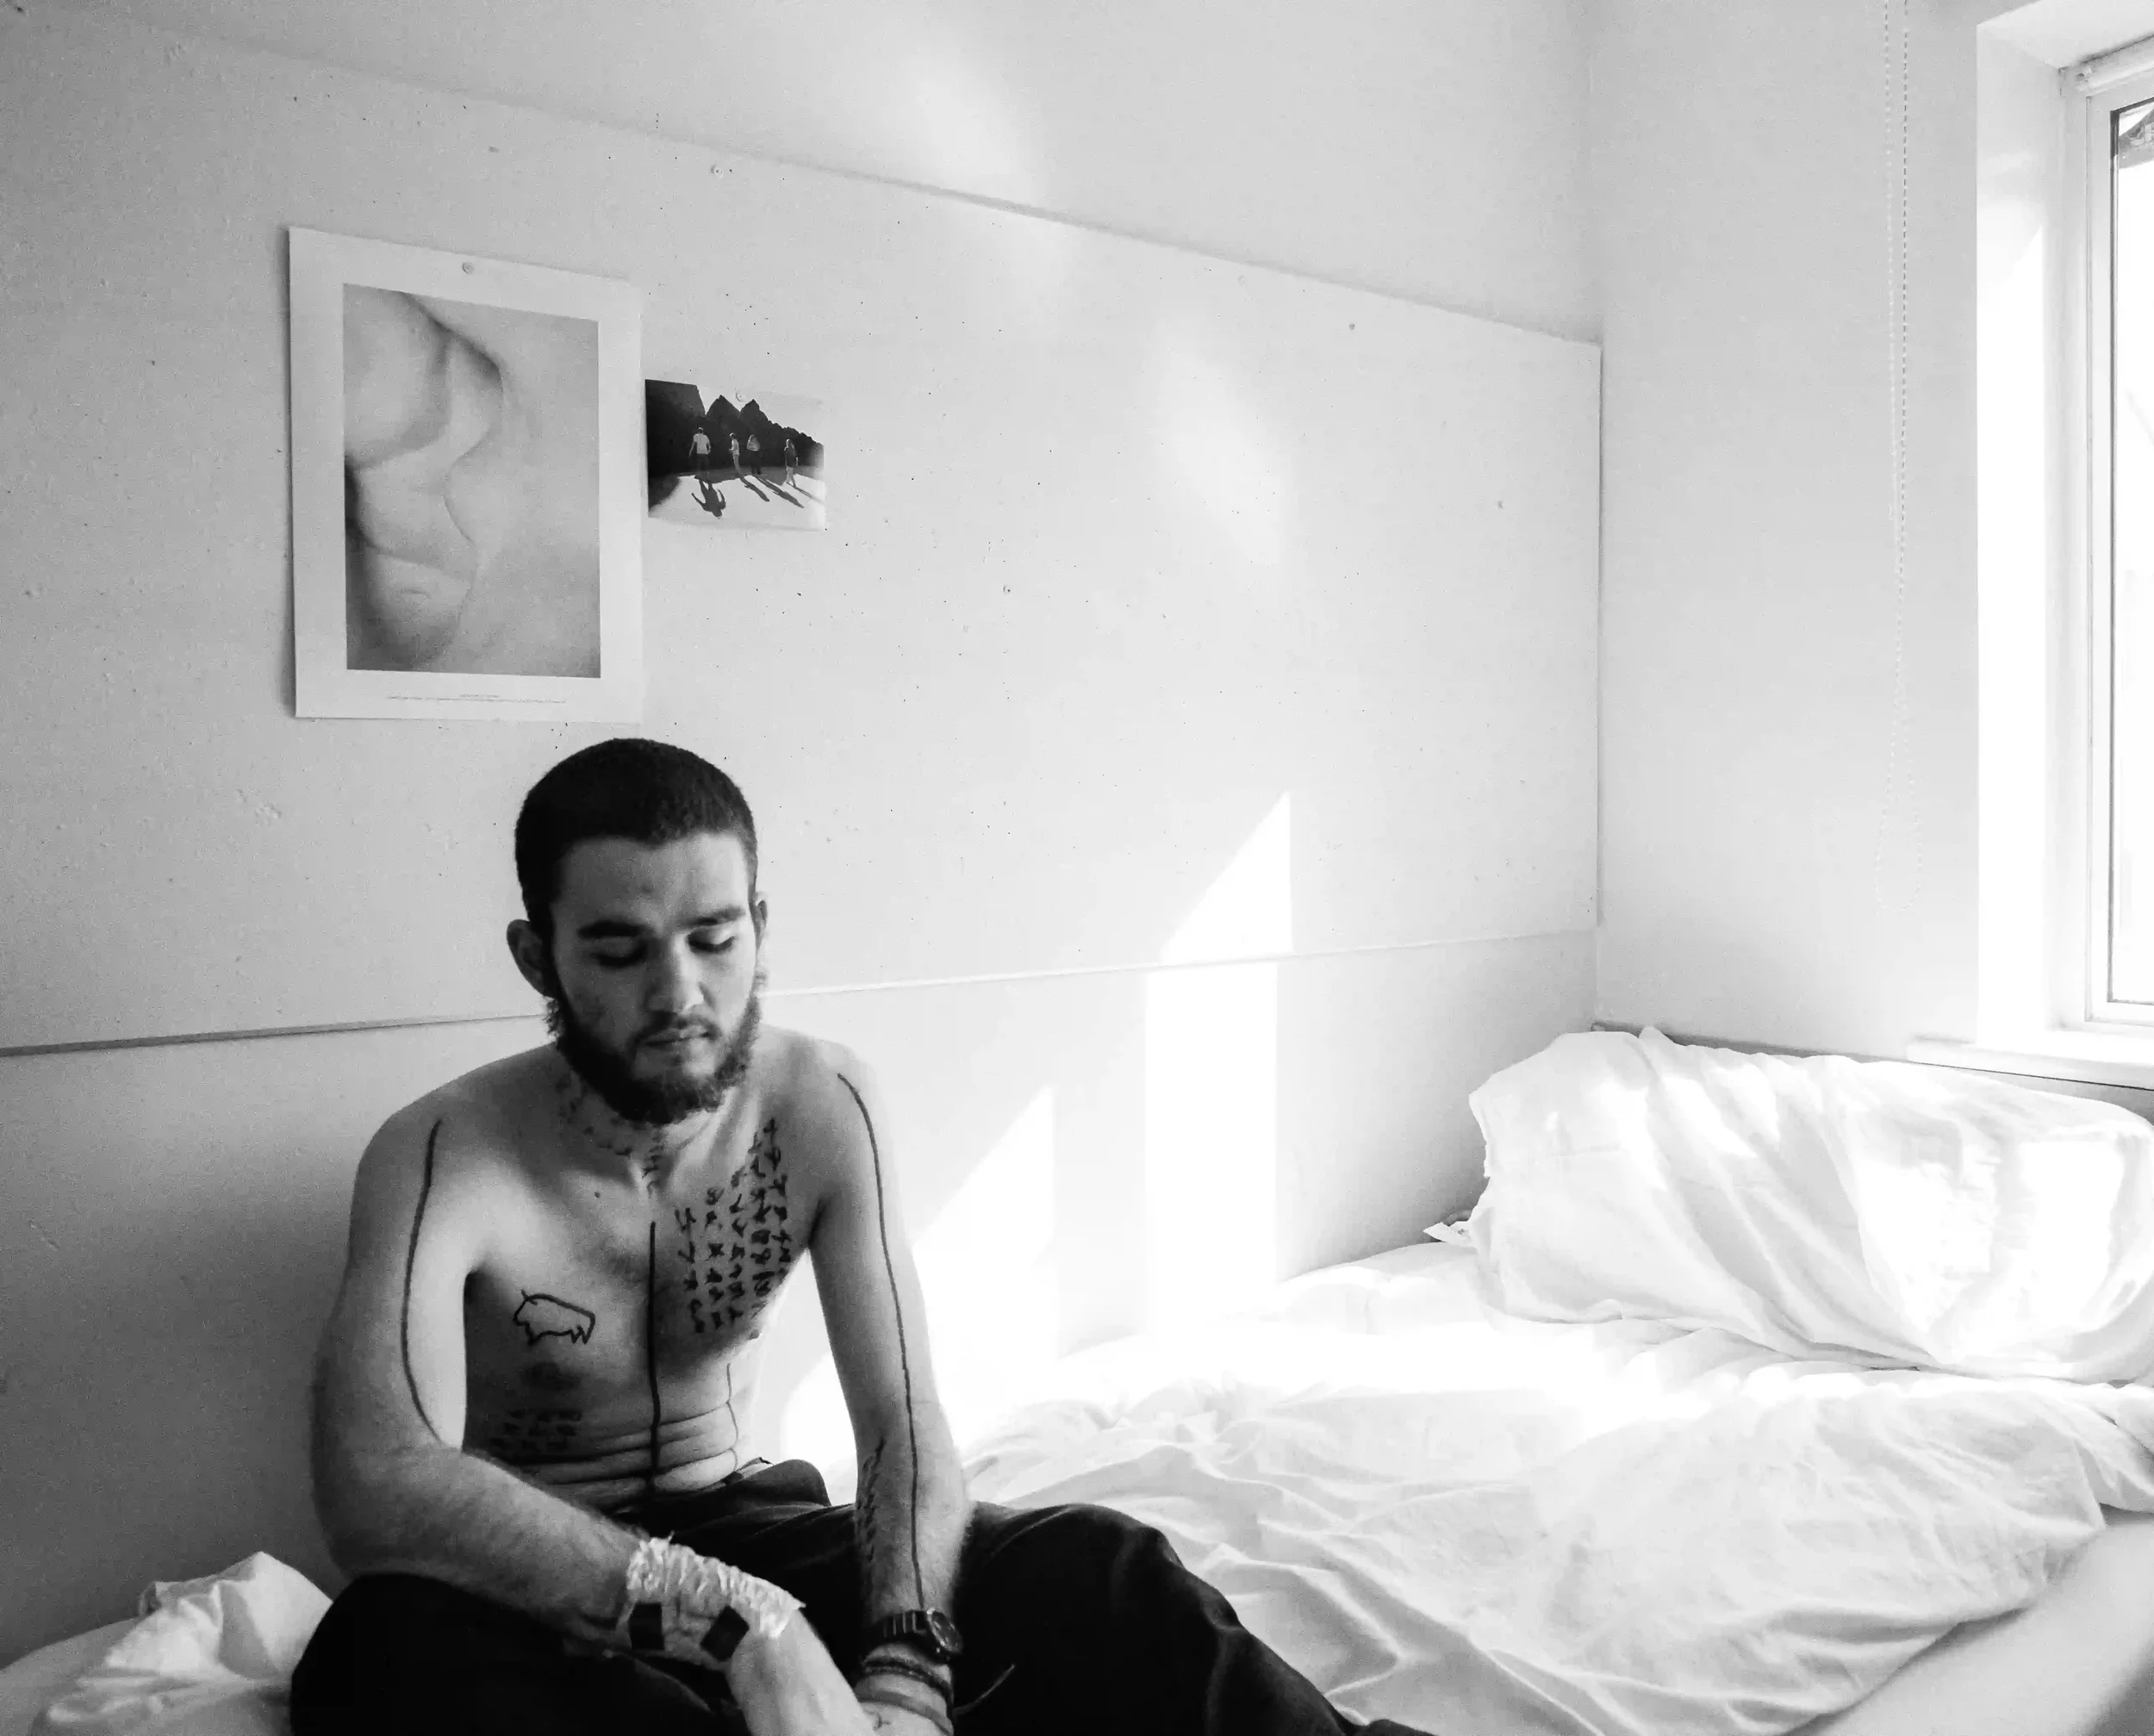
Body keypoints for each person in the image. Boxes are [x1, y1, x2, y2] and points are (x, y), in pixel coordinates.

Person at [291, 738, 1434, 1736]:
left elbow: (900, 1425)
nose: (681, 990)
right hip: (537, 1585)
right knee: (376, 1649)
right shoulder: (445, 1152)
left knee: (1098, 1566)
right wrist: (737, 1624)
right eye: (621, 949)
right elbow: (378, 1483)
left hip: (749, 1525)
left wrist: (907, 1670)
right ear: (538, 956)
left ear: (761, 929)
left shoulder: (821, 1103)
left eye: (713, 936)